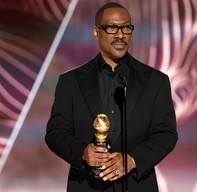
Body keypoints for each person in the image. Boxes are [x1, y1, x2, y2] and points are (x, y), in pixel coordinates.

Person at [45, 2, 178, 192]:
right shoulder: (70, 82)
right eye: (112, 27)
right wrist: (83, 153)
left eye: (126, 28)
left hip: (136, 185)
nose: (120, 34)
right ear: (96, 31)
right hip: (87, 186)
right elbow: (56, 133)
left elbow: (166, 134)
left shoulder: (156, 81)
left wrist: (132, 160)